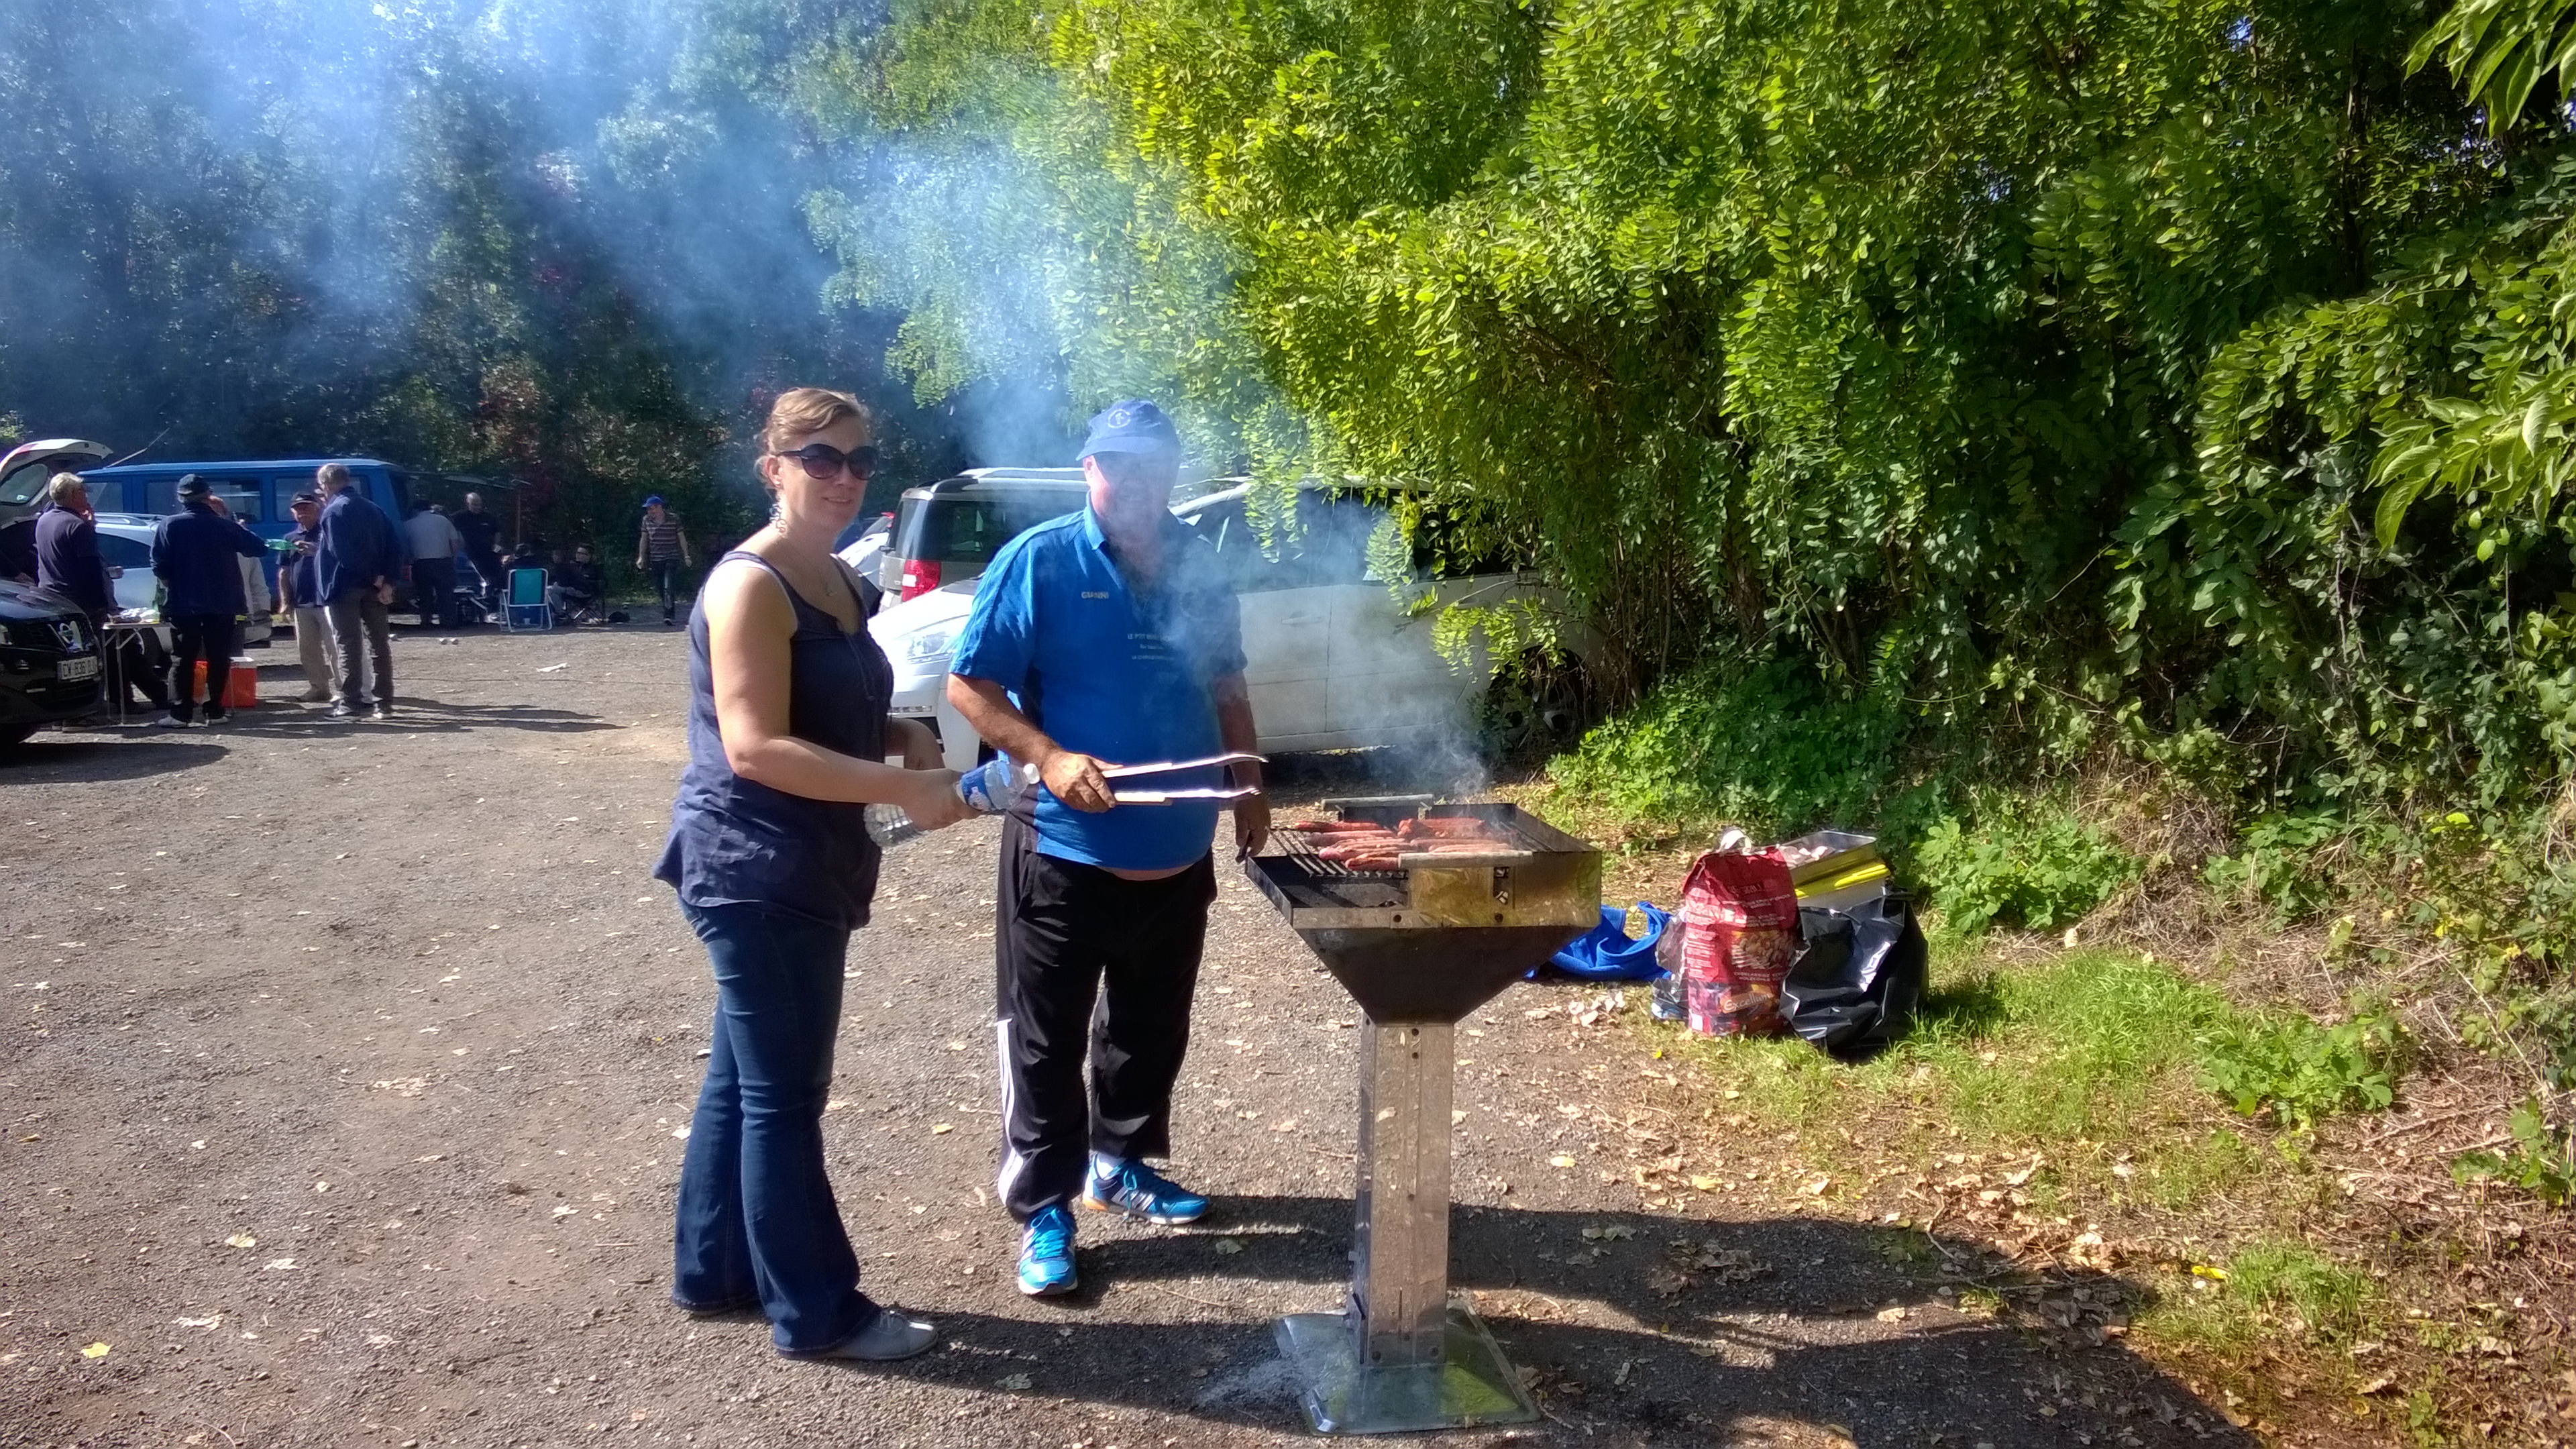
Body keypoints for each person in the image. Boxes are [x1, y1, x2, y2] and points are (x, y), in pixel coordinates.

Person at [653, 386, 969, 1360]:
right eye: (821, 458)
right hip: (756, 866)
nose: (844, 477)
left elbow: (825, 702)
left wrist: (901, 727)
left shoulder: (837, 580)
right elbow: (756, 746)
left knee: (743, 1083)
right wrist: (901, 786)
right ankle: (819, 1313)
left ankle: (713, 1270)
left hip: (809, 859)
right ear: (775, 468)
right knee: (784, 1098)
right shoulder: (751, 583)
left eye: (860, 460)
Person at [945, 398, 1268, 1298]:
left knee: (1149, 1029)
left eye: (1153, 465)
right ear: (1089, 468)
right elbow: (969, 686)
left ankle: (1119, 1163)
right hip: (1064, 856)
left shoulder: (1201, 565)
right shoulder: (1041, 561)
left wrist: (1250, 786)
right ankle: (1045, 1206)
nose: (1136, 482)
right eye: (1116, 464)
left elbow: (1227, 679)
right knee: (1044, 1044)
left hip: (1176, 854)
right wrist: (1046, 756)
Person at [36, 472, 171, 716]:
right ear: (74, 495)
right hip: (83, 602)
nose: (87, 497)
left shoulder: (44, 521)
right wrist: (105, 607)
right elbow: (89, 570)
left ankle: (153, 696)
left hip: (54, 598)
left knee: (121, 647)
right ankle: (125, 701)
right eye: (83, 492)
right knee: (111, 652)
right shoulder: (78, 527)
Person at [150, 474, 268, 728]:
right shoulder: (224, 526)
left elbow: (159, 566)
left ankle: (180, 713)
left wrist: (174, 581)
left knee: (183, 658)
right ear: (208, 496)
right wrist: (237, 526)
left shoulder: (169, 525)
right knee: (218, 656)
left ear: (181, 498)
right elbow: (259, 548)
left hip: (184, 603)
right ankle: (214, 710)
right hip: (223, 602)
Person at [315, 462, 402, 720]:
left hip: (344, 586)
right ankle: (384, 703)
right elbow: (394, 547)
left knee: (349, 645)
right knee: (379, 644)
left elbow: (343, 555)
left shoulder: (333, 511)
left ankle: (351, 704)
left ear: (327, 484)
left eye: (321, 486)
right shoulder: (374, 508)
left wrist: (373, 578)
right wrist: (388, 581)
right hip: (375, 588)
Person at [274, 490, 338, 703]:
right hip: (302, 602)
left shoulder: (327, 532)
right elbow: (284, 572)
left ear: (317, 508)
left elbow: (338, 558)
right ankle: (319, 688)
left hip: (327, 600)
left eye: (307, 508)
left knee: (335, 647)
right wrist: (285, 602)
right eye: (298, 509)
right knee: (307, 650)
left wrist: (315, 549)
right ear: (293, 513)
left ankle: (345, 689)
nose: (303, 513)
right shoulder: (290, 539)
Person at [637, 495, 695, 628]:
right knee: (660, 587)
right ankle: (668, 608)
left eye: (651, 508)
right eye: (648, 509)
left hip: (671, 557)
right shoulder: (646, 520)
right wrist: (641, 556)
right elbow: (644, 539)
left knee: (668, 586)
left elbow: (681, 538)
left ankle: (668, 615)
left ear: (659, 507)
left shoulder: (674, 519)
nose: (649, 511)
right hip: (656, 558)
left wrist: (686, 556)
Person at [404, 502, 462, 629]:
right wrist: (454, 559)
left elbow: (406, 546)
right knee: (446, 593)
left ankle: (426, 621)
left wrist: (409, 560)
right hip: (443, 562)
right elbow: (454, 542)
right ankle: (449, 621)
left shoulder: (409, 524)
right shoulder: (444, 521)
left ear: (416, 510)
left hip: (421, 564)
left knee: (424, 594)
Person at [452, 491, 504, 611]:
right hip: (470, 554)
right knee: (484, 578)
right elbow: (455, 533)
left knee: (499, 577)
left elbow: (497, 531)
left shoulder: (488, 516)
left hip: (489, 553)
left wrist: (496, 545)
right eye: (474, 504)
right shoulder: (459, 517)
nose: (478, 507)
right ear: (468, 504)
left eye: (479, 504)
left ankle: (494, 603)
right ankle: (485, 604)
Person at [551, 544, 604, 620]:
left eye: (582, 554)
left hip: (584, 593)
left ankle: (561, 614)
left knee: (551, 590)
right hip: (571, 590)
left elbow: (597, 584)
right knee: (551, 589)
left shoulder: (594, 568)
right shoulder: (572, 566)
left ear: (589, 556)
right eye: (578, 553)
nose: (579, 555)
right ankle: (558, 613)